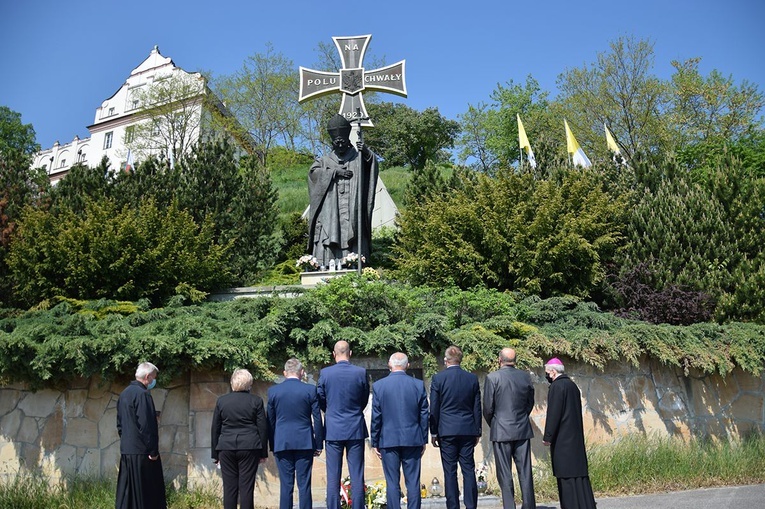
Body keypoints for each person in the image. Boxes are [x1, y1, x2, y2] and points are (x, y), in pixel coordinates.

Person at [307, 114, 379, 269]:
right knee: (330, 230)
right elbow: (313, 174)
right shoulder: (324, 161)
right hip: (331, 210)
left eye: (343, 142)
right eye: (336, 142)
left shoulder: (357, 157)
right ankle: (326, 262)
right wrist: (333, 172)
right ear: (332, 143)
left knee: (352, 228)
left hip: (351, 207)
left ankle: (353, 261)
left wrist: (366, 152)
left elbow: (371, 166)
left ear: (348, 141)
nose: (339, 145)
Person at [370, 352, 429, 509]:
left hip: (388, 440)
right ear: (407, 366)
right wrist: (423, 439)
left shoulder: (379, 386)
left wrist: (374, 441)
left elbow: (376, 417)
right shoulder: (417, 385)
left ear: (390, 365)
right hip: (412, 439)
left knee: (392, 482)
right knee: (413, 482)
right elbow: (424, 414)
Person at [317, 340, 370, 509]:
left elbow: (321, 400)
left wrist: (331, 412)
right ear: (350, 353)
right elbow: (364, 399)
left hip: (333, 429)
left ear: (334, 354)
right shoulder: (360, 372)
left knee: (333, 476)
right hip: (355, 427)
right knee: (357, 475)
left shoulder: (325, 374)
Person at [429, 345, 482, 509]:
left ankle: (453, 506)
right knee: (468, 469)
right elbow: (476, 407)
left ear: (446, 360)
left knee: (450, 471)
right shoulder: (471, 378)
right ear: (460, 360)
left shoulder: (438, 379)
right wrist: (478, 430)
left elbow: (435, 408)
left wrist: (434, 431)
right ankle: (471, 505)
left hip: (447, 430)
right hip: (467, 429)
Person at [482, 348, 536, 509]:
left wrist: (495, 423)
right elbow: (530, 402)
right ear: (515, 360)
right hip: (521, 429)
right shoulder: (525, 376)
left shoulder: (492, 378)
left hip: (501, 429)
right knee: (525, 471)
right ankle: (529, 506)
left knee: (504, 473)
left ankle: (509, 506)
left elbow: (488, 408)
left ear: (499, 359)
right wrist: (521, 417)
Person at [267, 358, 324, 509]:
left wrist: (273, 444)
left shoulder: (273, 391)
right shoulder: (310, 390)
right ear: (302, 372)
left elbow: (270, 421)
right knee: (304, 484)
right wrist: (318, 444)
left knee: (286, 485)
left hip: (282, 442)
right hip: (304, 441)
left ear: (284, 373)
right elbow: (317, 419)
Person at [542, 358, 597, 509]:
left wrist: (548, 437)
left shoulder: (557, 387)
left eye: (547, 372)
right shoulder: (572, 385)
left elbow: (554, 414)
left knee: (566, 476)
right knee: (578, 475)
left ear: (553, 372)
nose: (546, 375)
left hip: (562, 440)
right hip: (574, 438)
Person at [211, 369, 269, 509]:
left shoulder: (222, 401)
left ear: (232, 383)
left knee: (229, 488)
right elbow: (262, 428)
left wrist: (215, 454)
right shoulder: (256, 401)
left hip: (226, 447)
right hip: (249, 446)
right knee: (246, 488)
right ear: (249, 384)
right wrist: (263, 453)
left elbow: (215, 428)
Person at [115, 361, 167, 509]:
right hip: (142, 452)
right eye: (154, 377)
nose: (154, 381)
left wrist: (127, 441)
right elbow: (146, 425)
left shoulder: (124, 394)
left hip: (127, 450)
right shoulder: (143, 394)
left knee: (128, 493)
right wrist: (153, 450)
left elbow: (119, 424)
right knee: (147, 493)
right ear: (148, 376)